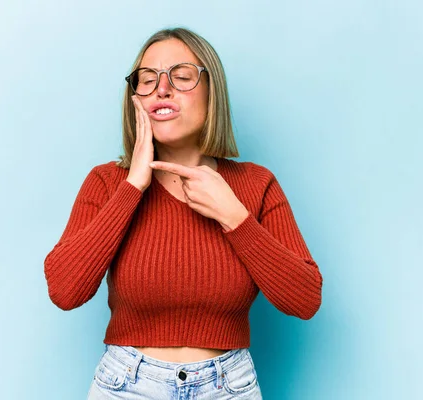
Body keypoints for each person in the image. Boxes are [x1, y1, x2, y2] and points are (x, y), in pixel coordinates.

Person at [43, 27, 323, 399]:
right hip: (125, 386)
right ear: (135, 100)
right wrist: (133, 186)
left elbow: (305, 300)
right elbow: (65, 291)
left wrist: (234, 217)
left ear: (212, 91)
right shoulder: (108, 182)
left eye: (182, 76)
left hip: (228, 387)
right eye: (147, 80)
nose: (162, 88)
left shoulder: (256, 185)